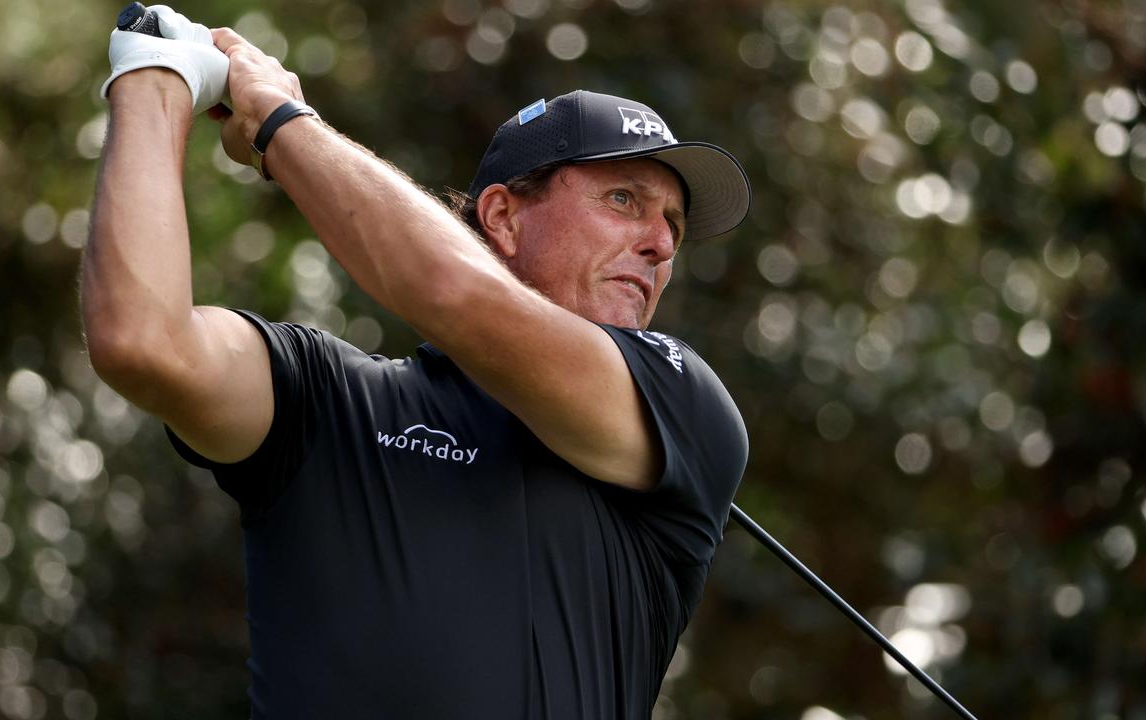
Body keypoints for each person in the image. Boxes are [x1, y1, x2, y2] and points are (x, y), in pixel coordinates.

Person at [82, 6, 751, 718]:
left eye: (672, 225)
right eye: (625, 200)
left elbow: (454, 293)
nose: (661, 243)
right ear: (503, 218)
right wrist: (155, 77)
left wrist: (280, 122)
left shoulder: (683, 409)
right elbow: (143, 341)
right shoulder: (328, 399)